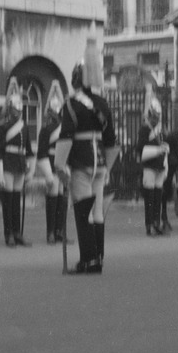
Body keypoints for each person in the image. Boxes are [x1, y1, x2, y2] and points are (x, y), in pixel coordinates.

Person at [55, 60, 120, 275]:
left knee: (84, 213)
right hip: (100, 162)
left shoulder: (71, 104)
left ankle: (89, 260)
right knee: (98, 211)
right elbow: (111, 140)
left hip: (81, 162)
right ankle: (99, 257)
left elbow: (66, 136)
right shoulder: (102, 103)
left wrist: (59, 165)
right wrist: (108, 166)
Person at [0, 76, 35, 248]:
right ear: (10, 109)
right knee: (8, 201)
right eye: (16, 108)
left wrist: (30, 169)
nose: (18, 111)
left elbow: (29, 150)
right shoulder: (3, 126)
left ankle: (17, 233)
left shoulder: (24, 127)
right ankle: (8, 233)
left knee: (17, 200)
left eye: (20, 108)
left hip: (19, 164)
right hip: (8, 163)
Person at [35, 80, 68, 244]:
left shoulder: (64, 127)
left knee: (62, 199)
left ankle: (59, 231)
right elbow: (41, 153)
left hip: (62, 164)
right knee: (53, 197)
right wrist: (47, 172)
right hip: (52, 163)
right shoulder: (46, 129)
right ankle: (50, 233)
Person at [137, 80, 169, 237]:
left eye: (158, 117)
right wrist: (158, 150)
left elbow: (163, 144)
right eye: (154, 117)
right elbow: (140, 149)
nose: (156, 119)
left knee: (157, 197)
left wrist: (165, 152)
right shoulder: (144, 130)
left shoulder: (158, 130)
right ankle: (149, 224)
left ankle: (157, 222)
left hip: (159, 166)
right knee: (149, 198)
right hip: (149, 166)